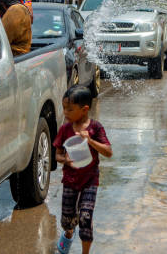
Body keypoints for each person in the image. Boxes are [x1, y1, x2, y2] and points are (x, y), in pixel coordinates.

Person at [54, 85, 112, 254]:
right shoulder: (65, 129)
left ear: (84, 109)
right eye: (64, 108)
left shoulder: (95, 128)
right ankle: (69, 232)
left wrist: (90, 141)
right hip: (70, 180)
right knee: (67, 219)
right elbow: (57, 155)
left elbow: (108, 152)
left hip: (90, 180)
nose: (65, 113)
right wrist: (65, 159)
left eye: (70, 109)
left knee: (86, 217)